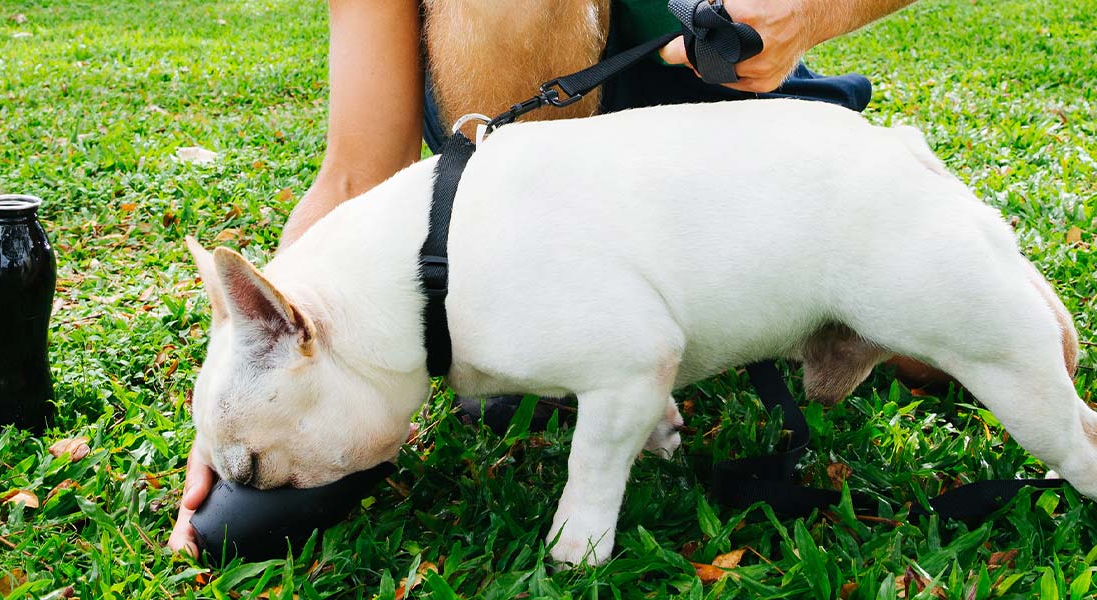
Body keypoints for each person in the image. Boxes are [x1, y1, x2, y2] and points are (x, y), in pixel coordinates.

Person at [170, 0, 922, 556]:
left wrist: (808, 11)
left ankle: (640, 337)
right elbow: (354, 172)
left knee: (942, 346)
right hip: (518, 133)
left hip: (742, 123)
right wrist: (246, 401)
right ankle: (558, 338)